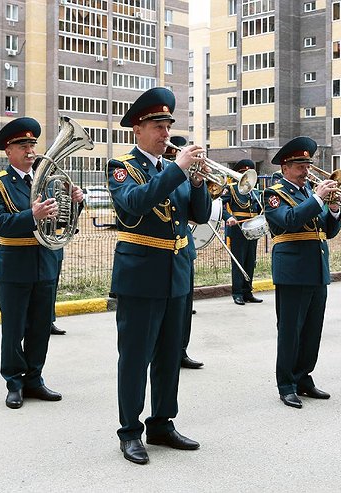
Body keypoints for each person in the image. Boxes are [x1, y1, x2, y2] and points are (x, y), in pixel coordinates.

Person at [107, 87, 212, 464]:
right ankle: (129, 431)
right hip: (140, 274)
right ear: (138, 128)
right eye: (157, 125)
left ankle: (162, 423)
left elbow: (198, 215)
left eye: (168, 124)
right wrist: (179, 169)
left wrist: (197, 182)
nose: (165, 132)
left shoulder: (176, 168)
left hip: (177, 273)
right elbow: (135, 202)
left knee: (170, 356)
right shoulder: (122, 167)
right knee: (135, 358)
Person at [0, 117, 84, 409]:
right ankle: (14, 382)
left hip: (46, 263)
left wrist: (76, 202)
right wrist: (32, 216)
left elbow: (64, 221)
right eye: (22, 145)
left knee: (40, 326)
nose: (30, 151)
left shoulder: (47, 180)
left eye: (32, 145)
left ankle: (35, 378)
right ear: (8, 151)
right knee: (14, 329)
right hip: (15, 264)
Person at [263, 136, 341, 409]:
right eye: (300, 165)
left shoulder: (309, 193)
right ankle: (286, 383)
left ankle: (303, 377)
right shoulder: (274, 193)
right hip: (292, 270)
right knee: (290, 330)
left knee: (312, 330)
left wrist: (333, 209)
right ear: (285, 167)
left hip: (316, 268)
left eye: (308, 164)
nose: (306, 170)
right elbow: (289, 221)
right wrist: (319, 198)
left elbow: (327, 232)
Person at [164, 135, 204, 369]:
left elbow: (199, 214)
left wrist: (198, 183)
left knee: (185, 308)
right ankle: (168, 352)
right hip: (161, 252)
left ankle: (181, 350)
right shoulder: (169, 173)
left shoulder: (184, 178)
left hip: (184, 250)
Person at [222, 158, 263, 306]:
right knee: (238, 261)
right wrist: (229, 217)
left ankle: (248, 292)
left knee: (250, 261)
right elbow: (219, 205)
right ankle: (237, 293)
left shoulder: (254, 191)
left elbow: (259, 209)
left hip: (252, 228)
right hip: (237, 229)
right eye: (244, 175)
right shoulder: (231, 188)